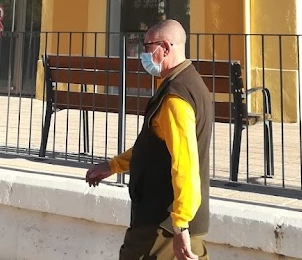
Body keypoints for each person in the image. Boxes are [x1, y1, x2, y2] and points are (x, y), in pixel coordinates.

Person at [86, 19, 212, 260]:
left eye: (147, 47)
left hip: (161, 225)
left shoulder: (176, 98)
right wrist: (113, 166)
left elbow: (184, 164)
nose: (143, 54)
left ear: (164, 47)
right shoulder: (187, 83)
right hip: (171, 222)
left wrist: (181, 224)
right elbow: (153, 146)